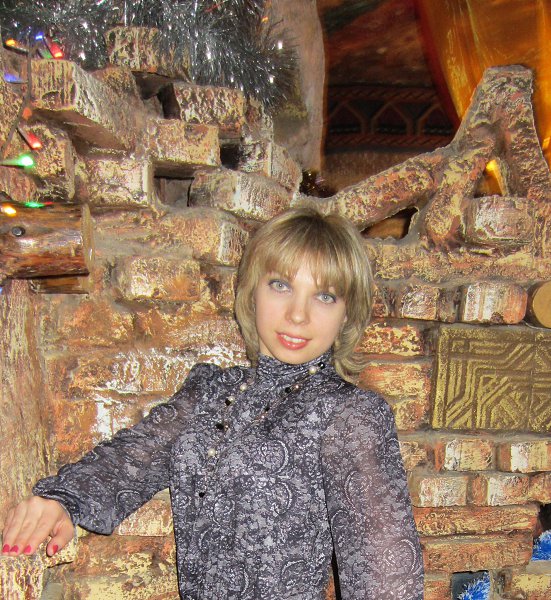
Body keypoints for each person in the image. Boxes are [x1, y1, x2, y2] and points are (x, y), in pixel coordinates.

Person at [1, 207, 424, 599]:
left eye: (325, 296)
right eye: (281, 285)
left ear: (347, 314)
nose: (298, 314)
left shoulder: (350, 415)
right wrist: (62, 499)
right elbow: (133, 457)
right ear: (252, 292)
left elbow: (387, 579)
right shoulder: (211, 391)